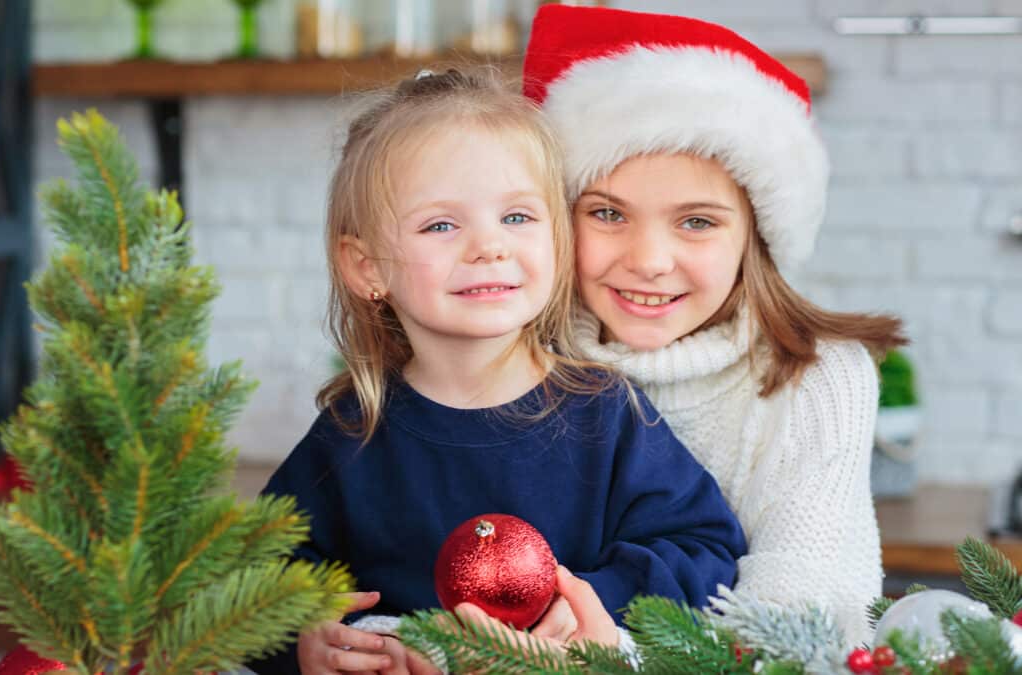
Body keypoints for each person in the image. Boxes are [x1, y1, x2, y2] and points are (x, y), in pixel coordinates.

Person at [246, 68, 747, 674]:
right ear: (365, 267)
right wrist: (303, 643)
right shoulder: (352, 432)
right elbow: (251, 591)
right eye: (441, 225)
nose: (489, 246)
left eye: (517, 217)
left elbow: (706, 550)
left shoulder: (606, 412)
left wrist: (600, 602)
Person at [521, 4, 908, 647]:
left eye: (696, 221)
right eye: (608, 213)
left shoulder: (818, 377)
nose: (647, 261)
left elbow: (806, 622)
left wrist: (612, 652)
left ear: (754, 237)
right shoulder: (511, 361)